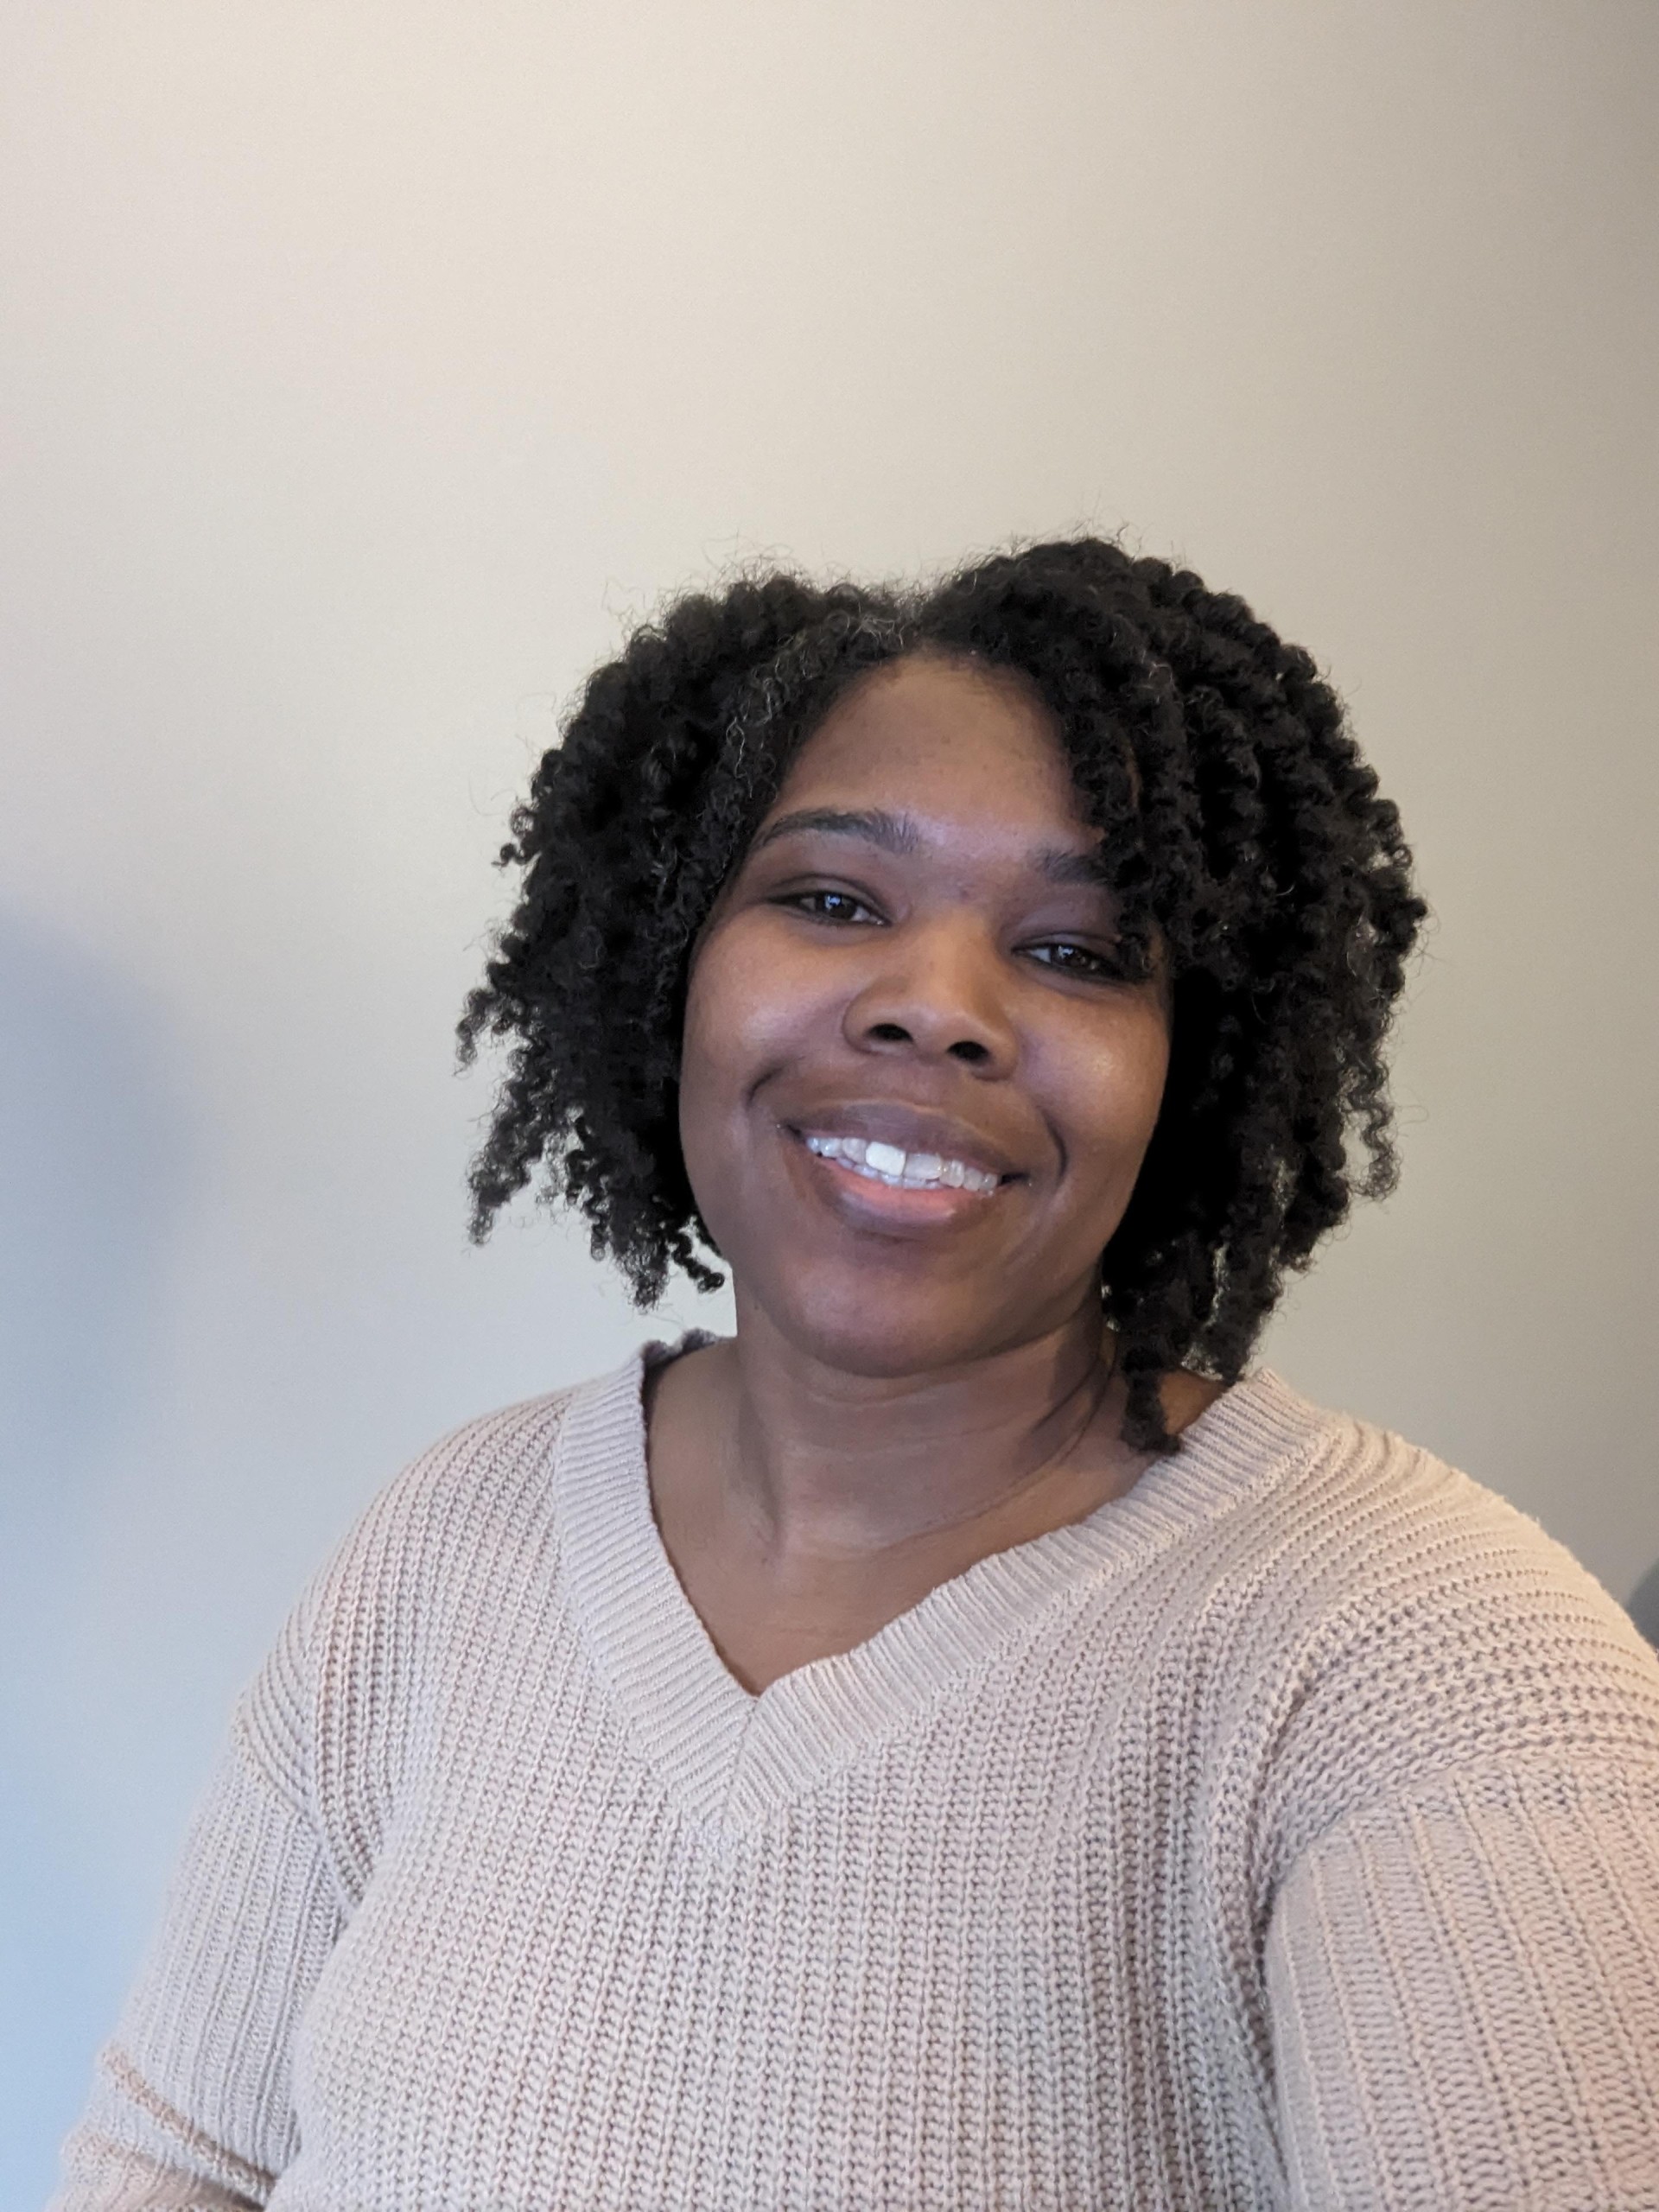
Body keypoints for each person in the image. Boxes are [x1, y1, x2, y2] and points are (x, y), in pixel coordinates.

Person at [54, 540, 1659, 2209]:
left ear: (1194, 1070)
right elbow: (180, 2159)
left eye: (1081, 951)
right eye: (832, 903)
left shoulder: (1435, 1670)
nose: (936, 1007)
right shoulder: (443, 1545)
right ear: (671, 961)